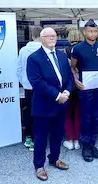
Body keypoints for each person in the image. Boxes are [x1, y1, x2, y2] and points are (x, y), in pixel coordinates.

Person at [27, 27, 74, 181]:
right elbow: (37, 82)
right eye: (48, 36)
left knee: (57, 134)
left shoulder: (61, 55)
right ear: (41, 39)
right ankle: (39, 166)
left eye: (54, 36)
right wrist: (57, 95)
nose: (52, 38)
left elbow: (69, 77)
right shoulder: (34, 58)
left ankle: (55, 158)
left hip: (61, 104)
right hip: (44, 105)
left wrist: (67, 92)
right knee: (40, 137)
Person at [70, 19, 98, 162]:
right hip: (85, 88)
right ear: (84, 32)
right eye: (90, 31)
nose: (93, 33)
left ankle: (93, 143)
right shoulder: (78, 48)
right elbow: (73, 67)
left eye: (95, 31)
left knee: (96, 115)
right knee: (86, 116)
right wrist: (76, 80)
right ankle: (85, 145)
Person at [16, 25, 43, 151]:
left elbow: (18, 69)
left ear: (32, 36)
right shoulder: (45, 49)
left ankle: (29, 137)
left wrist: (24, 81)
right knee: (42, 112)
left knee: (29, 112)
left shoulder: (23, 50)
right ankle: (40, 137)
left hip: (28, 87)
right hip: (43, 87)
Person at [62, 29, 84, 150]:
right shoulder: (83, 50)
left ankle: (70, 139)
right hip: (83, 85)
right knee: (78, 113)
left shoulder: (65, 51)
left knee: (68, 114)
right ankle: (77, 140)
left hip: (69, 86)